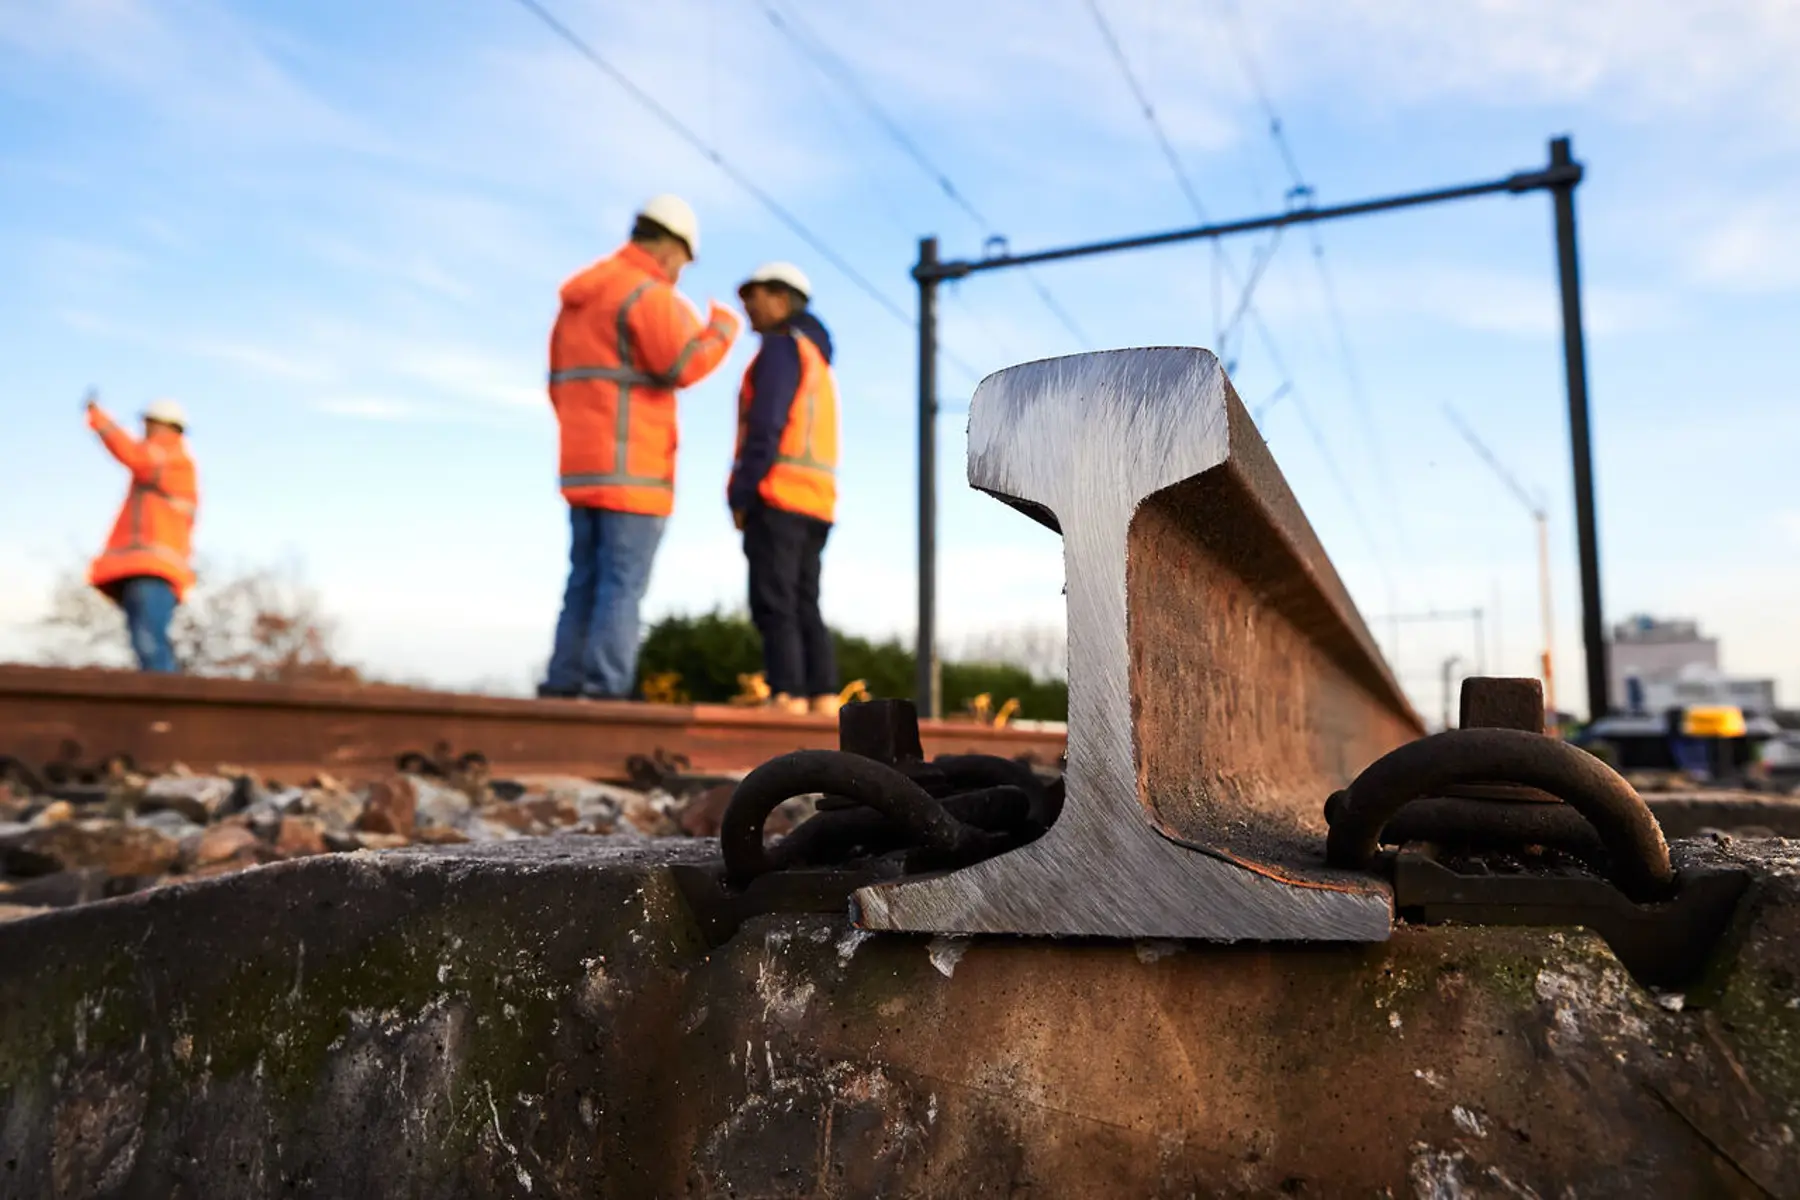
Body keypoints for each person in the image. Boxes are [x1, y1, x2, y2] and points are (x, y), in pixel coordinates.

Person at [540, 194, 741, 699]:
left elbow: (560, 383)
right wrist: (721, 329)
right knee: (622, 586)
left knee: (582, 582)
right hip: (635, 472)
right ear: (672, 247)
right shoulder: (644, 293)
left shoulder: (583, 297)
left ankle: (563, 687)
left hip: (582, 468)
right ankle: (605, 693)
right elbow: (681, 364)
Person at [729, 262, 841, 716]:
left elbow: (766, 426)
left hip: (779, 495)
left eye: (753, 296)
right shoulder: (814, 357)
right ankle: (822, 697)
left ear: (781, 298)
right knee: (804, 602)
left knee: (774, 601)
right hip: (817, 501)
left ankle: (786, 696)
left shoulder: (779, 349)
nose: (747, 307)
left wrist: (741, 492)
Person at [84, 391, 198, 673]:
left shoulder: (171, 457)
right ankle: (160, 706)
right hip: (141, 567)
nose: (144, 429)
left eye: (148, 422)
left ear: (165, 425)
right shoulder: (165, 460)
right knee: (142, 642)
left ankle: (167, 709)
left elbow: (134, 455)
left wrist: (99, 418)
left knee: (150, 643)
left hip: (155, 568)